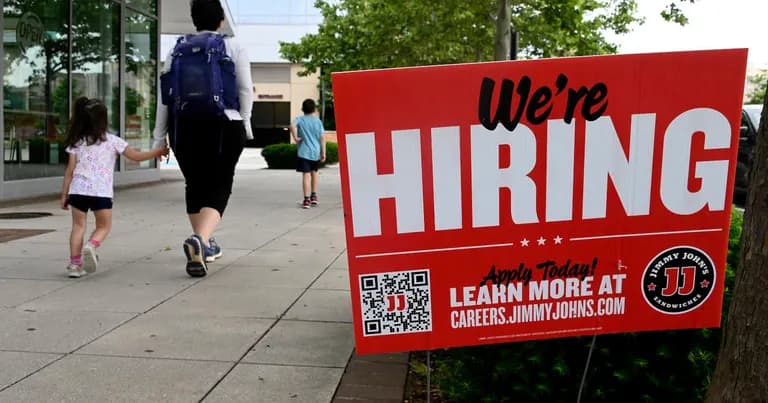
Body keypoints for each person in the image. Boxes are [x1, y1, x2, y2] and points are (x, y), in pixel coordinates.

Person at [151, 0, 253, 277]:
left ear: (194, 20)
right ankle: (201, 240)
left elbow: (165, 99)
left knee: (194, 185)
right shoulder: (233, 46)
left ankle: (204, 245)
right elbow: (245, 90)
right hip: (224, 125)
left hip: (184, 127)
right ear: (221, 20)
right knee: (221, 184)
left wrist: (159, 138)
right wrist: (245, 125)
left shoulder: (176, 51)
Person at [60, 97, 169, 278]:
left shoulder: (77, 142)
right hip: (100, 192)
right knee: (103, 226)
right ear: (104, 120)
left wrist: (64, 195)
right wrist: (157, 151)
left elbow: (70, 171)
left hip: (78, 190)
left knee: (78, 227)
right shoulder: (113, 141)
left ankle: (74, 265)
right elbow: (136, 156)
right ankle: (92, 245)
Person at [290, 99, 326, 209]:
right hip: (315, 152)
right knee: (314, 173)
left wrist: (295, 138)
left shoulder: (300, 119)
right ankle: (314, 196)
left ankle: (306, 200)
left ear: (303, 109)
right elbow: (322, 137)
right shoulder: (318, 122)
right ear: (314, 109)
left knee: (306, 175)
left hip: (304, 152)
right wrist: (323, 152)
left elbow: (292, 126)